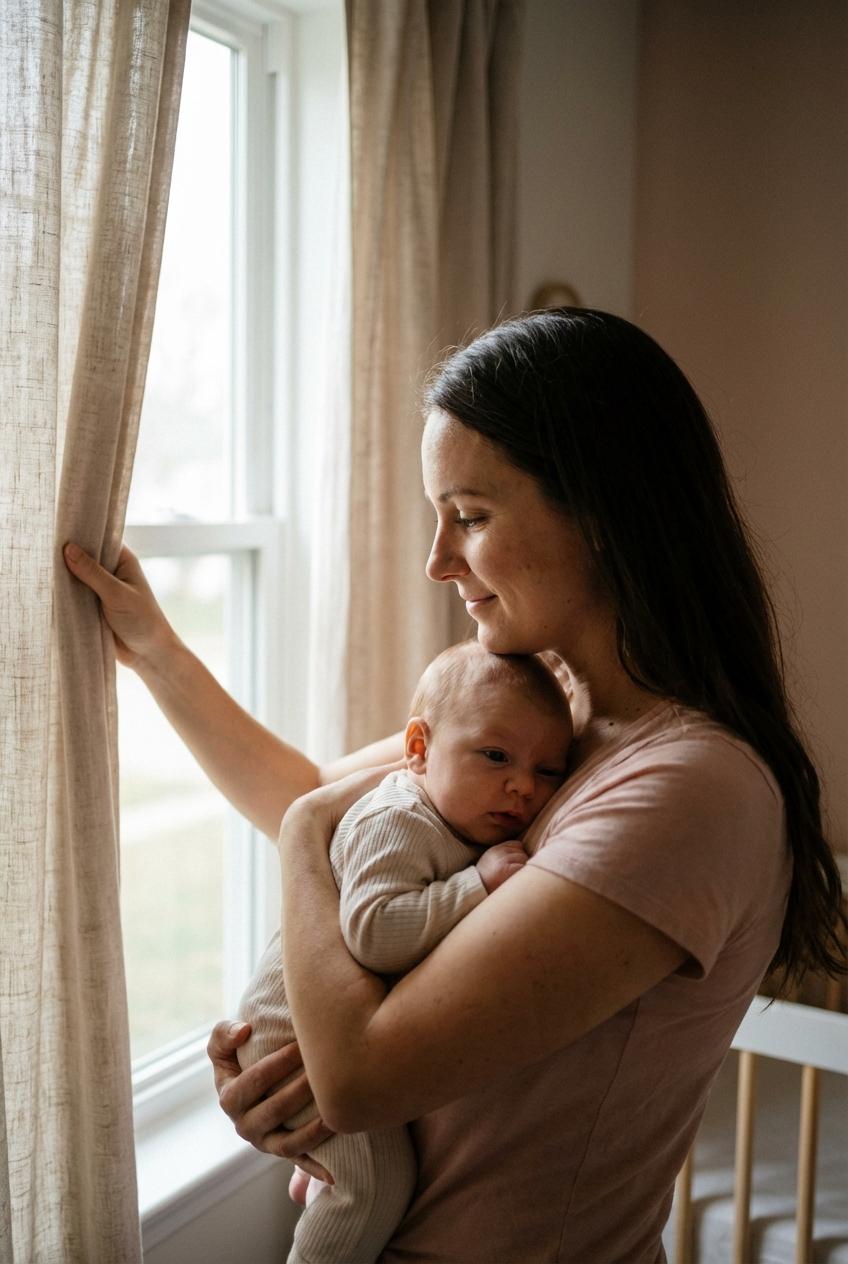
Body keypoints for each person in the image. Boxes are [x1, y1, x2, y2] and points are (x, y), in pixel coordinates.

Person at [64, 307, 846, 1263]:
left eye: (470, 518)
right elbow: (312, 796)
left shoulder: (688, 788)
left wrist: (312, 840)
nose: (439, 561)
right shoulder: (546, 711)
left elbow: (359, 1064)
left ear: (603, 514)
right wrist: (156, 653)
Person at [238, 641, 572, 1263]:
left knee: (364, 1184)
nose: (524, 786)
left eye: (549, 770)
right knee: (369, 1189)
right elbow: (374, 932)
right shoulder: (398, 820)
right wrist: (477, 884)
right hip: (291, 1040)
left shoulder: (461, 817)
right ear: (417, 749)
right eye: (495, 756)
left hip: (325, 1032)